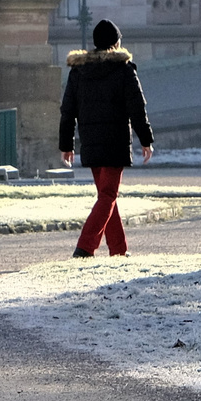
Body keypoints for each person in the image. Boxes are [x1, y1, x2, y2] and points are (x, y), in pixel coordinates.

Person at [59, 19, 154, 258]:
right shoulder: (124, 70)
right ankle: (85, 247)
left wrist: (66, 144)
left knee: (106, 196)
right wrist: (146, 139)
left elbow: (68, 110)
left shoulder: (78, 72)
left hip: (90, 140)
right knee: (108, 196)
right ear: (117, 43)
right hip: (115, 141)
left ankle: (119, 250)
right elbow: (137, 109)